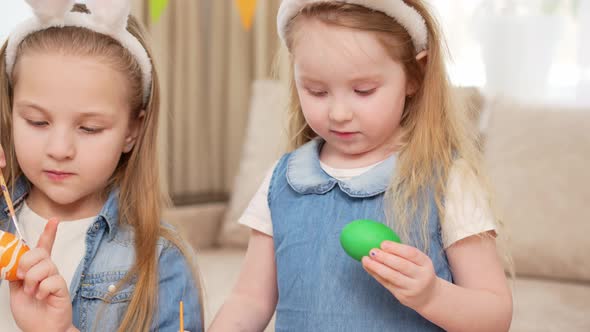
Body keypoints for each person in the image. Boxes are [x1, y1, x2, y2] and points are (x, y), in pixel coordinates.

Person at [210, 1, 512, 331]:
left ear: (415, 74)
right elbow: (250, 299)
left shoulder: (446, 181)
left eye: (363, 90)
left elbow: (494, 316)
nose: (339, 113)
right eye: (317, 90)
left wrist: (432, 296)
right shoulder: (282, 181)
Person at [0, 1, 202, 331]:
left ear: (132, 132)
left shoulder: (161, 259)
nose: (60, 149)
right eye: (37, 122)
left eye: (89, 128)